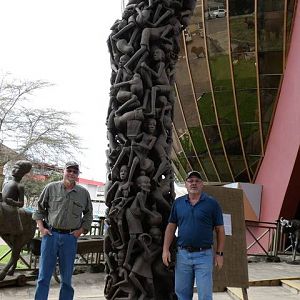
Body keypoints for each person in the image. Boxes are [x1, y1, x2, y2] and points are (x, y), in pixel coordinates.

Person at [32, 161, 93, 300]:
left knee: (66, 278)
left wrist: (81, 230)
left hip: (70, 238)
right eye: (69, 170)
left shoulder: (83, 193)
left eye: (75, 171)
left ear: (78, 175)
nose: (71, 173)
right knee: (43, 277)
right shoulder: (50, 188)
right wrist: (41, 228)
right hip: (51, 235)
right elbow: (39, 209)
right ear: (63, 171)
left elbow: (89, 214)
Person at [162, 170, 225, 300]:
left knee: (205, 295)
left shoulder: (212, 204)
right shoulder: (178, 203)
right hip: (183, 255)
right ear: (186, 184)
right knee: (182, 295)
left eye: (197, 181)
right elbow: (171, 227)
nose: (194, 183)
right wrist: (165, 249)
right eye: (190, 181)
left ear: (202, 184)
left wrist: (219, 254)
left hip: (204, 256)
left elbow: (220, 230)